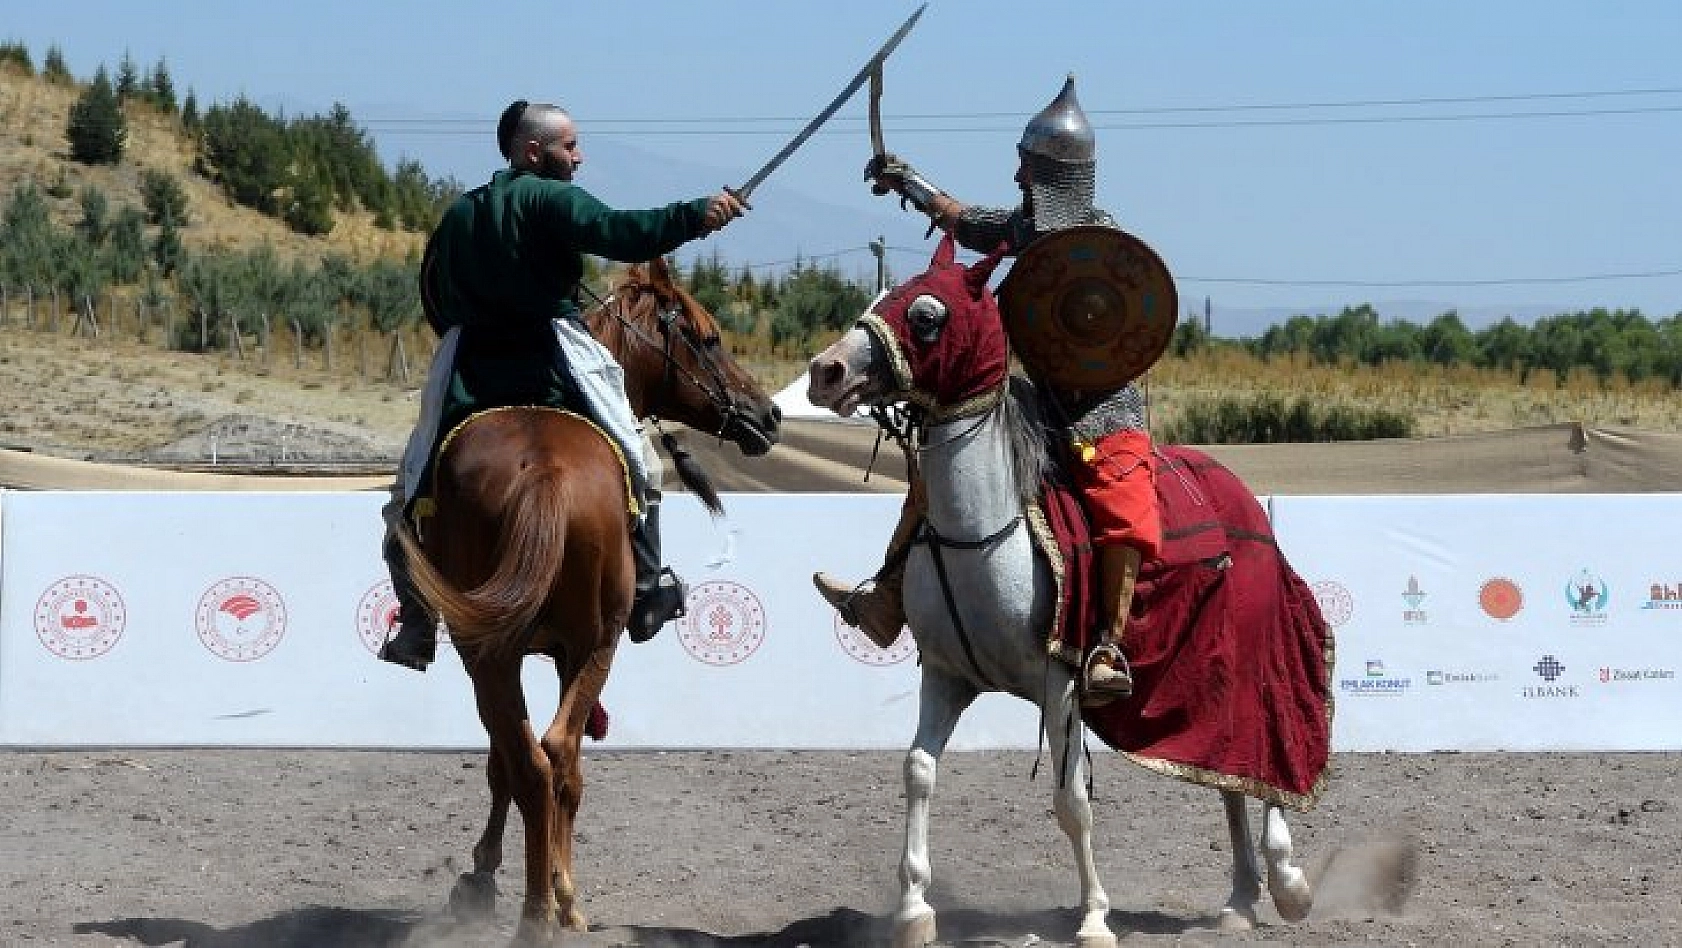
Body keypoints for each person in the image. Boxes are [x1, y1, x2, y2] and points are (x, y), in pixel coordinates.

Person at [812, 75, 1159, 704]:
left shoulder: (1105, 246)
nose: (1019, 177)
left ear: (1056, 174)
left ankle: (1107, 644)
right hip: (1031, 404)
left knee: (1125, 505)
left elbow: (1122, 324)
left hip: (1102, 411)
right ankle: (890, 594)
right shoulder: (1026, 226)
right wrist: (907, 181)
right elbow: (966, 221)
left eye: (1028, 167)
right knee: (938, 470)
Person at [378, 99, 745, 671]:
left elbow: (436, 295)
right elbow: (623, 233)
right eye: (569, 146)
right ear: (533, 151)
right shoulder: (552, 197)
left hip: (469, 368)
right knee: (636, 458)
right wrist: (698, 214)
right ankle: (647, 587)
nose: (579, 157)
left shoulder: (458, 214)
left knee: (410, 492)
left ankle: (418, 621)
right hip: (552, 360)